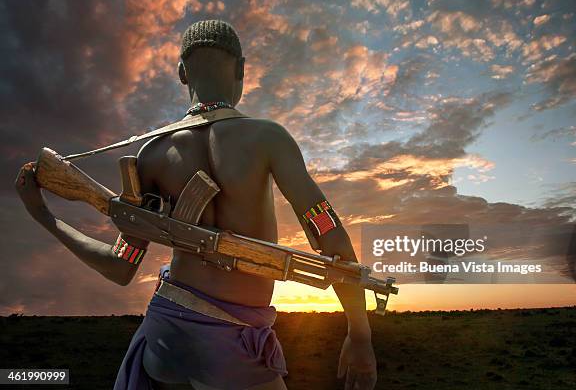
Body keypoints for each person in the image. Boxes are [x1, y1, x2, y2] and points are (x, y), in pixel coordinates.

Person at [15, 20, 376, 390]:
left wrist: (44, 216)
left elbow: (121, 265)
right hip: (233, 349)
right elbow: (328, 231)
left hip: (164, 339)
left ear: (181, 73)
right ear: (241, 68)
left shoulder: (152, 153)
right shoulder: (269, 138)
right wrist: (360, 334)